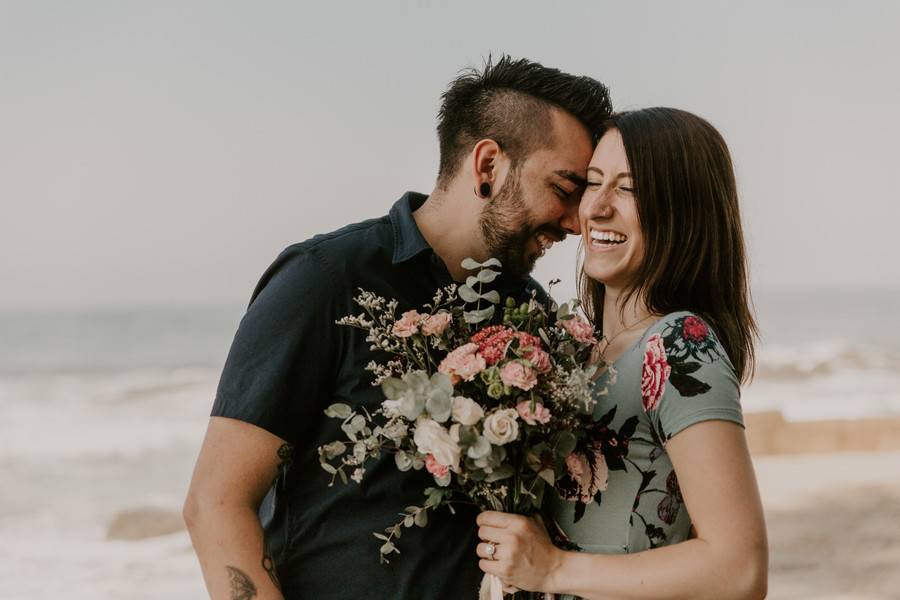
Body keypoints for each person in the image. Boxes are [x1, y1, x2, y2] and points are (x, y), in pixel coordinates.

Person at [182, 56, 612, 600]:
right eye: (565, 187)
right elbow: (216, 505)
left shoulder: (530, 314)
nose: (576, 222)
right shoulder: (325, 279)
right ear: (487, 166)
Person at [474, 107, 768, 599]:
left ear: (684, 209)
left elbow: (739, 568)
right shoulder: (577, 351)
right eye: (593, 182)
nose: (597, 208)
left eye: (628, 188)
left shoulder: (678, 344)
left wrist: (551, 570)